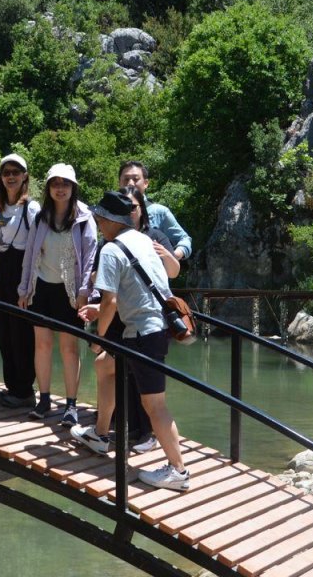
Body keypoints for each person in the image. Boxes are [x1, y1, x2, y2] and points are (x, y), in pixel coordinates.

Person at [71, 191, 190, 491]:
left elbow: (110, 300)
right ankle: (100, 434)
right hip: (150, 329)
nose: (98, 224)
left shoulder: (111, 250)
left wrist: (98, 337)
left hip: (142, 334)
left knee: (154, 405)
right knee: (105, 366)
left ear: (111, 220)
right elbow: (139, 287)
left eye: (100, 219)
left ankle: (178, 471)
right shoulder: (141, 240)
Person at [18, 164, 97, 426]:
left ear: (73, 187)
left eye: (65, 184)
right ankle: (44, 399)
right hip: (42, 287)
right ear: (49, 188)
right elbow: (30, 254)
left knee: (69, 348)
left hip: (70, 290)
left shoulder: (84, 217)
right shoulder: (41, 217)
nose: (60, 188)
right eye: (55, 184)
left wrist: (86, 292)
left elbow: (89, 259)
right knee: (41, 345)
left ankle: (71, 405)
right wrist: (24, 289)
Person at [0, 154, 40, 409]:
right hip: (2, 274)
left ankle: (25, 391)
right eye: (6, 172)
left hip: (21, 274)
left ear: (25, 176)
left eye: (16, 172)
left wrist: (29, 286)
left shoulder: (30, 208)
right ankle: (13, 387)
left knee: (22, 335)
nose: (11, 176)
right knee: (5, 333)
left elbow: (37, 247)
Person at [118, 161, 192, 262]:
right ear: (119, 182)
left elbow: (184, 239)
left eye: (136, 179)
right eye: (126, 179)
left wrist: (172, 256)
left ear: (145, 183)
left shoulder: (159, 212)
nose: (130, 183)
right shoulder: (111, 212)